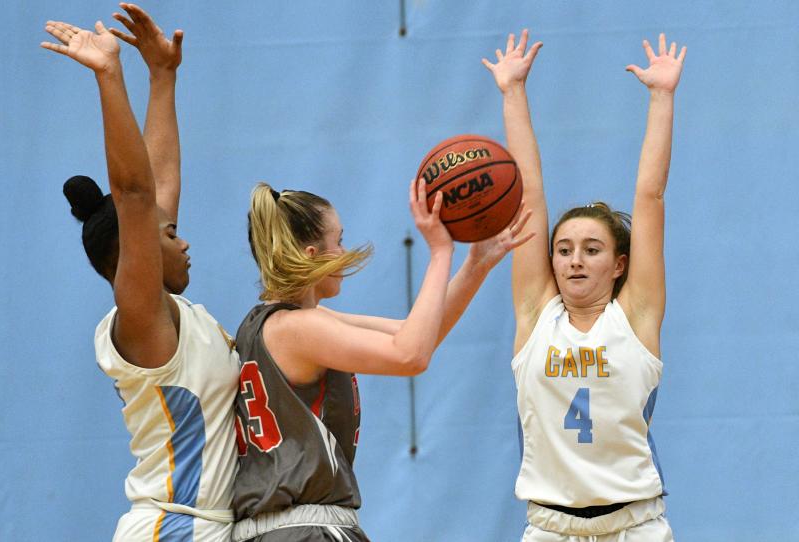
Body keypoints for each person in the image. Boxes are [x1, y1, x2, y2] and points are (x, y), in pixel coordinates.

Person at [232, 180, 533, 541]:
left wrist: (477, 264)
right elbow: (411, 355)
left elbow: (416, 333)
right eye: (338, 240)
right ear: (312, 254)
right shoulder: (301, 328)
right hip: (305, 530)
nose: (344, 250)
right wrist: (440, 252)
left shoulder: (270, 323)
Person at [43, 5, 239, 540]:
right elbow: (135, 194)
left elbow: (155, 189)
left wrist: (163, 76)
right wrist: (110, 75)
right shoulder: (141, 319)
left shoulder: (175, 315)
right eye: (170, 235)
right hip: (173, 528)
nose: (184, 237)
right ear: (131, 256)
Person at [482, 29, 686, 541]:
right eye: (564, 248)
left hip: (634, 526)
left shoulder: (635, 318)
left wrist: (662, 97)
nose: (574, 260)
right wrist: (512, 93)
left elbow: (650, 196)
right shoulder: (536, 314)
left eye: (592, 250)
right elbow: (526, 193)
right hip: (550, 527)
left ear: (619, 265)